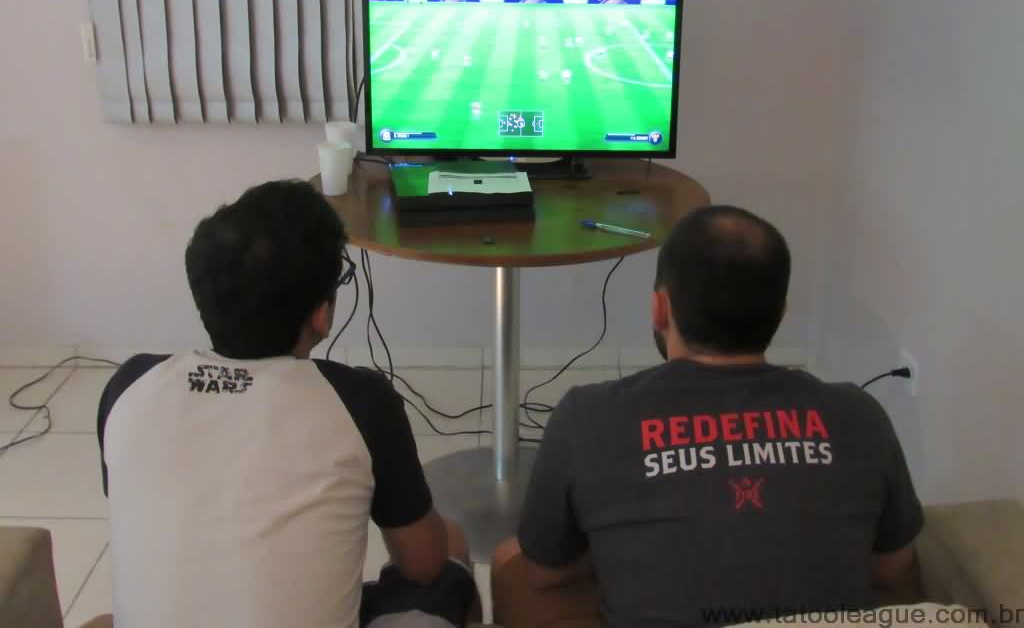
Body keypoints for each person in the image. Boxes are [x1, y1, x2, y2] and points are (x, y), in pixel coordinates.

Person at [493, 205, 923, 628]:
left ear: (660, 309)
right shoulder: (860, 415)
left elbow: (545, 570)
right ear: (780, 313)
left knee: (510, 558)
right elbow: (892, 569)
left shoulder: (585, 417)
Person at [97, 180, 479, 628]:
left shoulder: (128, 386)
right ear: (321, 314)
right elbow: (423, 565)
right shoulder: (362, 403)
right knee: (449, 546)